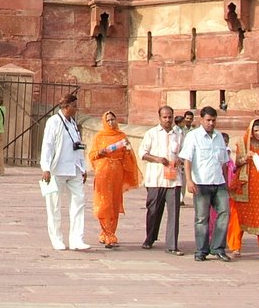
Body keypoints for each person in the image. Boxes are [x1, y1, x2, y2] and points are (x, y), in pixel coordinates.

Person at [39, 93, 91, 251]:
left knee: (78, 202)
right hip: (57, 169)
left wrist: (83, 167)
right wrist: (45, 168)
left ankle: (77, 239)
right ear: (66, 107)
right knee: (54, 206)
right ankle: (57, 238)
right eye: (74, 106)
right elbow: (47, 145)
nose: (76, 109)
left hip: (74, 168)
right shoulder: (54, 122)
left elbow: (78, 145)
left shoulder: (73, 123)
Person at [179, 105, 231, 261]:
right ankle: (201, 250)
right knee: (202, 218)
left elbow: (223, 162)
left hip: (219, 181)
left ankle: (218, 247)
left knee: (224, 213)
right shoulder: (193, 136)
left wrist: (225, 180)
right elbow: (187, 160)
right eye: (208, 120)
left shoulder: (219, 137)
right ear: (201, 120)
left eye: (213, 120)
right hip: (201, 182)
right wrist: (189, 180)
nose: (211, 123)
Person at [227, 118, 259, 262]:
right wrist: (245, 158)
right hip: (244, 184)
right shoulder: (243, 143)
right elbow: (236, 163)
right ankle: (235, 247)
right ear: (251, 130)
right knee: (238, 217)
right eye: (256, 131)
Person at [88, 111, 141, 247]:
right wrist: (101, 152)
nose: (111, 122)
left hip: (117, 173)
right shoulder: (100, 137)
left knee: (114, 203)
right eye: (108, 120)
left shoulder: (121, 136)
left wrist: (128, 149)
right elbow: (92, 155)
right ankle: (107, 233)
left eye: (113, 119)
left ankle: (109, 232)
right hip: (103, 172)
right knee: (104, 203)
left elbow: (128, 157)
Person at [139, 106, 184, 255]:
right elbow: (143, 153)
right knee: (153, 211)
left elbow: (184, 153)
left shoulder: (178, 133)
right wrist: (157, 159)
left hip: (174, 179)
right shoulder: (151, 133)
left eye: (170, 117)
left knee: (174, 214)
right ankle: (150, 237)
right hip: (156, 179)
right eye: (165, 117)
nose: (167, 120)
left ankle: (172, 245)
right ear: (159, 118)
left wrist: (180, 160)